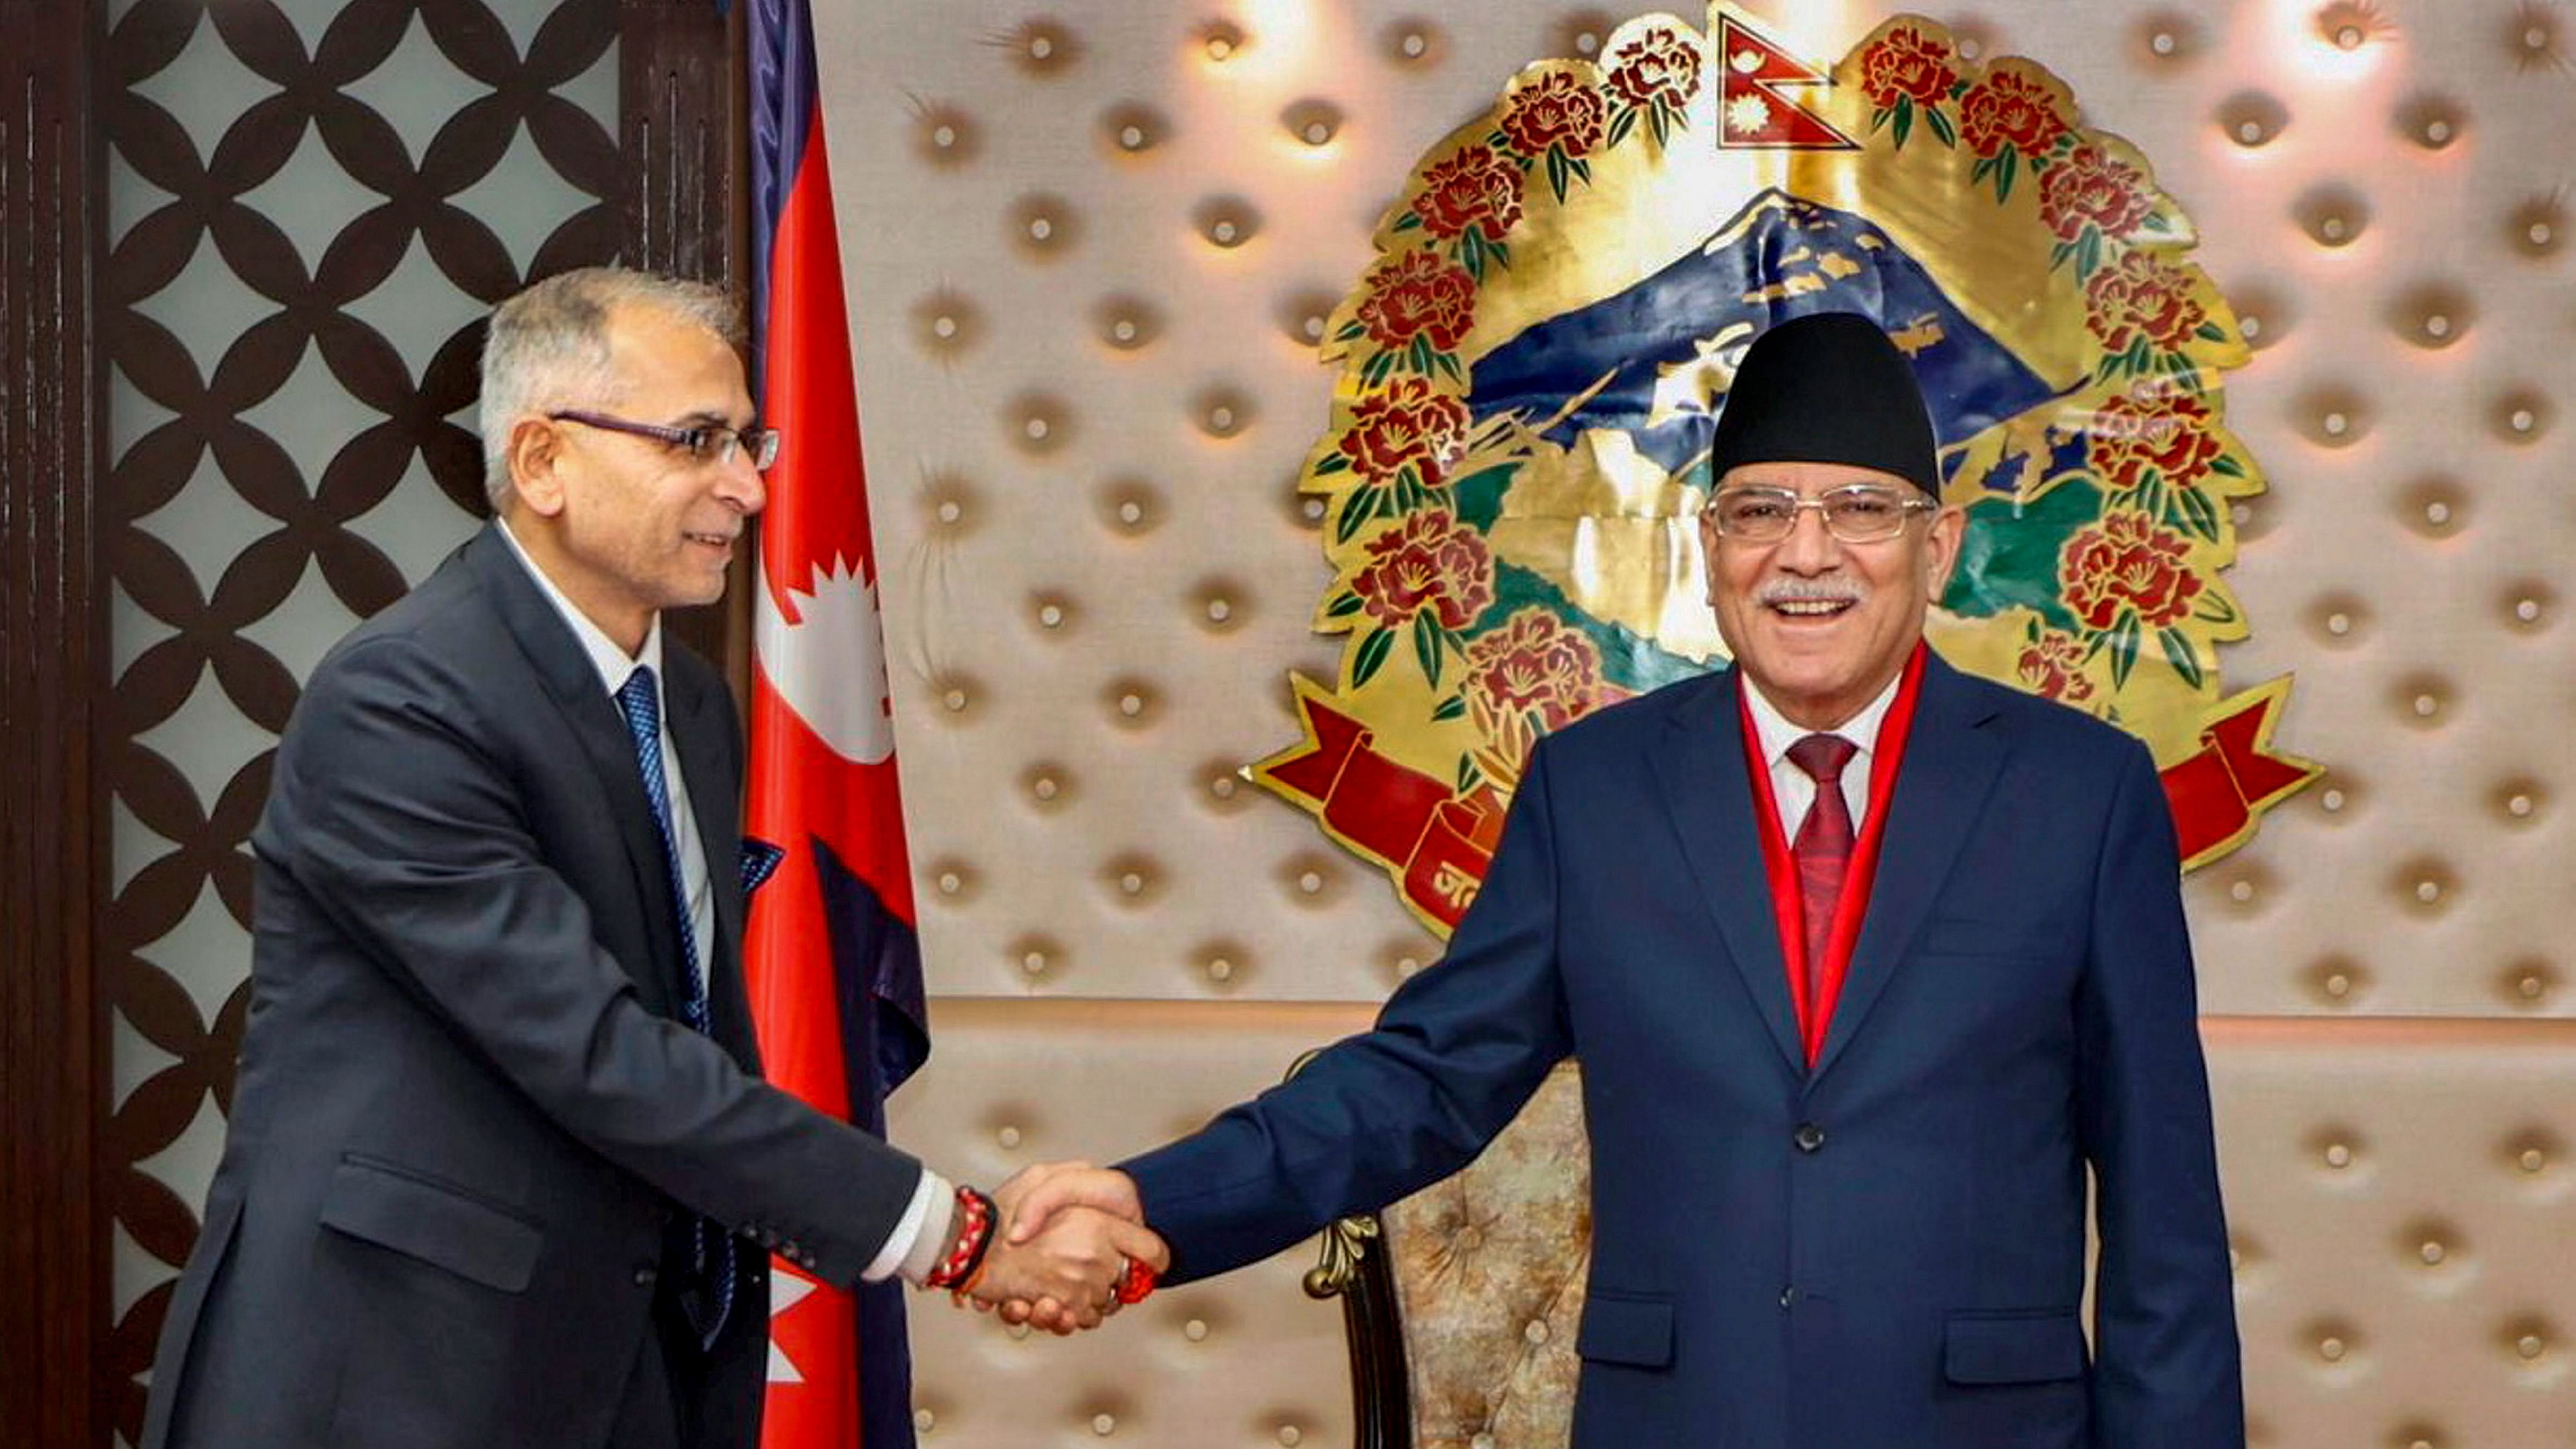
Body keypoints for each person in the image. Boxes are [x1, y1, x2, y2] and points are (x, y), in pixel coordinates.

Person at [1006, 312, 2244, 1445]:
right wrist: (1149, 1198)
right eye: (1761, 512)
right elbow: (1425, 1082)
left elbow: (2164, 1216)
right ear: (1711, 551)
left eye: (1860, 510)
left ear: (1939, 546)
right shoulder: (1593, 789)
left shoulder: (2081, 793)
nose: (1806, 554)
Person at [138, 267, 1163, 1449]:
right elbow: (597, 1050)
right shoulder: (404, 700)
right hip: (400, 1367)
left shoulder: (692, 703)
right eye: (696, 441)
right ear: (541, 464)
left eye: (747, 440)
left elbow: (695, 1033)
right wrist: (953, 1234)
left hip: (635, 1355)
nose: (749, 485)